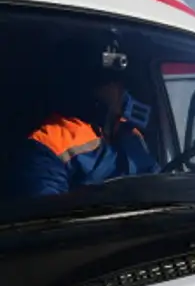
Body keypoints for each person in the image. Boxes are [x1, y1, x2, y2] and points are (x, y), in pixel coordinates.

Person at [6, 36, 160, 198]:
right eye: (109, 80)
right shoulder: (50, 144)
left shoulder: (131, 133)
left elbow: (156, 181)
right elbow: (47, 208)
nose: (121, 90)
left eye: (120, 81)